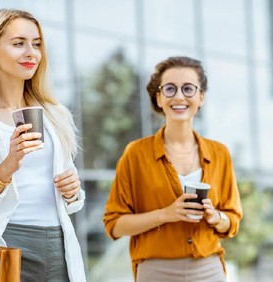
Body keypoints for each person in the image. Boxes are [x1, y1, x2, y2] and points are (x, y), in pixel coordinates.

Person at [0, 9, 86, 282]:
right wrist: (5, 168)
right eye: (19, 43)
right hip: (3, 242)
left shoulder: (56, 115)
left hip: (58, 243)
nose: (31, 52)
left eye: (37, 44)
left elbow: (73, 202)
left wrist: (71, 191)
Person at [103, 56, 243, 281]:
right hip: (156, 271)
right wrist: (166, 214)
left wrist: (215, 217)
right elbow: (114, 225)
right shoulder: (136, 154)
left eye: (188, 89)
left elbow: (232, 222)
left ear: (201, 97)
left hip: (208, 270)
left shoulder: (220, 154)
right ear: (158, 98)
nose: (179, 96)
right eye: (170, 89)